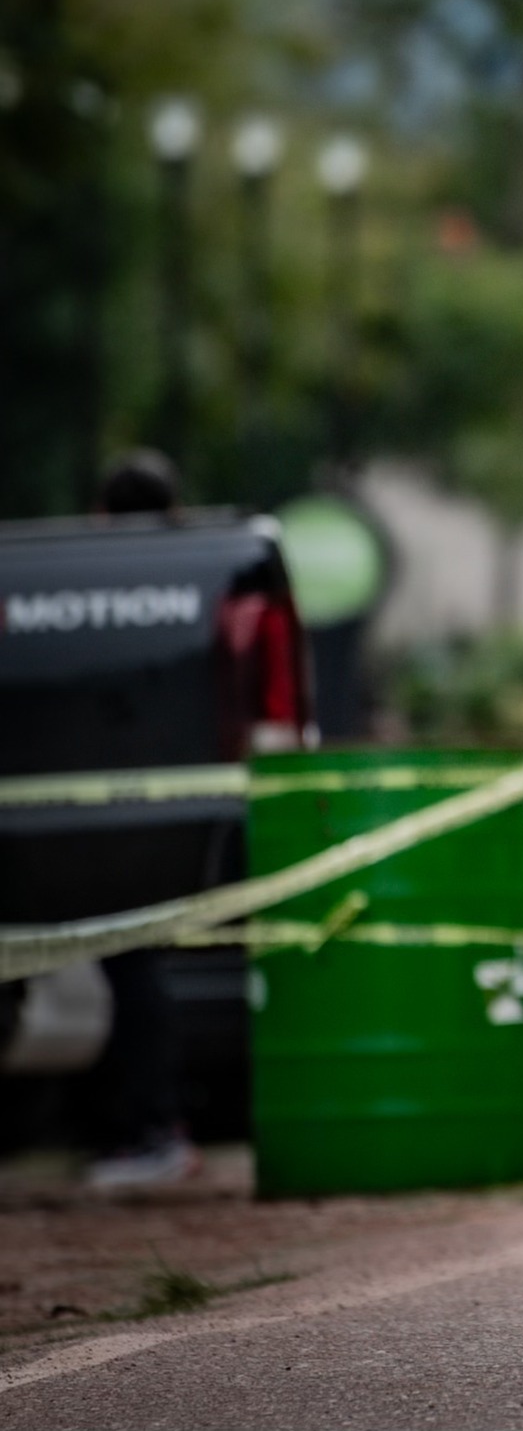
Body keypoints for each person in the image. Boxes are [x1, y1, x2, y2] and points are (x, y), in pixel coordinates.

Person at [86, 450, 201, 1188]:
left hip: (95, 814)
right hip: (183, 802)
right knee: (139, 967)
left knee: (133, 968)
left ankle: (151, 1128)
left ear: (102, 511)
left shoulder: (88, 573)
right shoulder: (194, 573)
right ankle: (149, 1125)